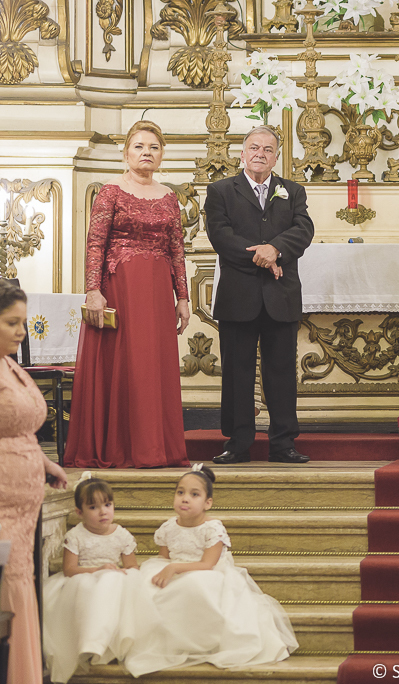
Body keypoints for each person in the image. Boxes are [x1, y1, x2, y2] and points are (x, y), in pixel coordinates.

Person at [65, 120, 191, 469]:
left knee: (153, 365)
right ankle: (121, 446)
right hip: (119, 288)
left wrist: (183, 296)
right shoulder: (111, 191)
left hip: (156, 291)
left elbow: (177, 250)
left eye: (153, 147)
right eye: (139, 146)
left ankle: (154, 447)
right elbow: (95, 244)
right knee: (126, 364)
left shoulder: (169, 197)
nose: (146, 152)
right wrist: (93, 290)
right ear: (126, 153)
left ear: (162, 154)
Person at [118, 464, 297, 675]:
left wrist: (175, 567)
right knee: (149, 586)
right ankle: (166, 642)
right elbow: (163, 559)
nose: (185, 498)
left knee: (195, 586)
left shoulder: (213, 529)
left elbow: (207, 564)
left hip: (207, 573)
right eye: (180, 492)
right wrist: (165, 570)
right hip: (176, 570)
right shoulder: (168, 527)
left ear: (207, 503)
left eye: (194, 494)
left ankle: (200, 641)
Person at [205, 125, 315, 464]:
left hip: (280, 296)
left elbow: (303, 229)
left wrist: (276, 249)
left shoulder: (292, 191)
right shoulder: (221, 190)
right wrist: (262, 256)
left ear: (277, 157)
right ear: (242, 153)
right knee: (237, 373)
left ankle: (283, 443)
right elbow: (220, 235)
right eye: (254, 147)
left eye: (268, 149)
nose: (260, 154)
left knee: (281, 372)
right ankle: (238, 444)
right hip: (239, 295)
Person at [0, 280, 69, 684]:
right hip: (3, 503)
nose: (21, 332)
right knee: (8, 590)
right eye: (11, 323)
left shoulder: (9, 363)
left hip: (24, 503)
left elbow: (18, 429)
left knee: (20, 584)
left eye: (23, 323)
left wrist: (45, 463)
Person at [43, 475, 139, 683]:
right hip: (83, 577)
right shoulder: (76, 535)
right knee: (89, 587)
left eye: (107, 504)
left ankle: (108, 645)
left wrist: (119, 572)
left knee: (114, 583)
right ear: (80, 512)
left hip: (112, 578)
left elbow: (132, 566)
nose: (103, 511)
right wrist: (99, 569)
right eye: (93, 507)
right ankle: (89, 643)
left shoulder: (122, 535)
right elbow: (69, 570)